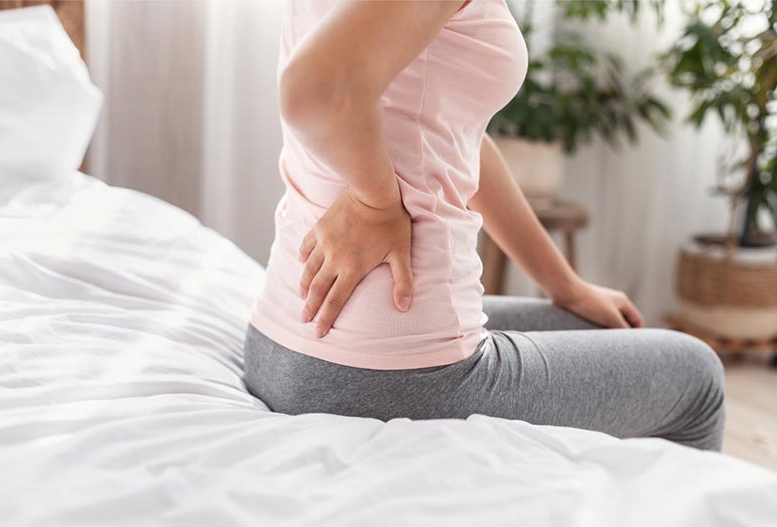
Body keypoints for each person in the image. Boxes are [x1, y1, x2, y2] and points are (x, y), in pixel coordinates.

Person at [245, 0, 726, 451]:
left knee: (604, 327)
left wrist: (566, 286)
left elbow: (454, 136)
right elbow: (316, 88)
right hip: (396, 375)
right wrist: (375, 204)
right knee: (698, 377)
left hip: (279, 345)